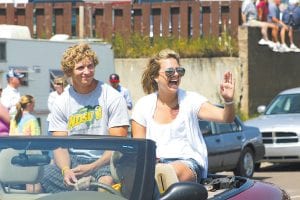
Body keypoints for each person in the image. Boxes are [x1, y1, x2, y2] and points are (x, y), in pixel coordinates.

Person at [131, 49, 235, 183]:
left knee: (168, 172)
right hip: (154, 165)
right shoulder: (143, 105)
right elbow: (141, 148)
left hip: (187, 163)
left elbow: (226, 118)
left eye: (179, 71)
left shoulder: (191, 100)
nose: (176, 75)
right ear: (155, 77)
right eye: (169, 72)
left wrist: (228, 101)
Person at [40, 43, 130, 193]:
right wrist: (66, 170)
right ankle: (85, 186)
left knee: (105, 184)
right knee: (41, 176)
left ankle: (90, 185)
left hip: (105, 161)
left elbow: (117, 144)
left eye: (90, 66)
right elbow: (60, 145)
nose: (87, 72)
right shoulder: (61, 102)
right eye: (80, 68)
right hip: (74, 161)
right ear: (69, 71)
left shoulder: (112, 97)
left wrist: (92, 167)